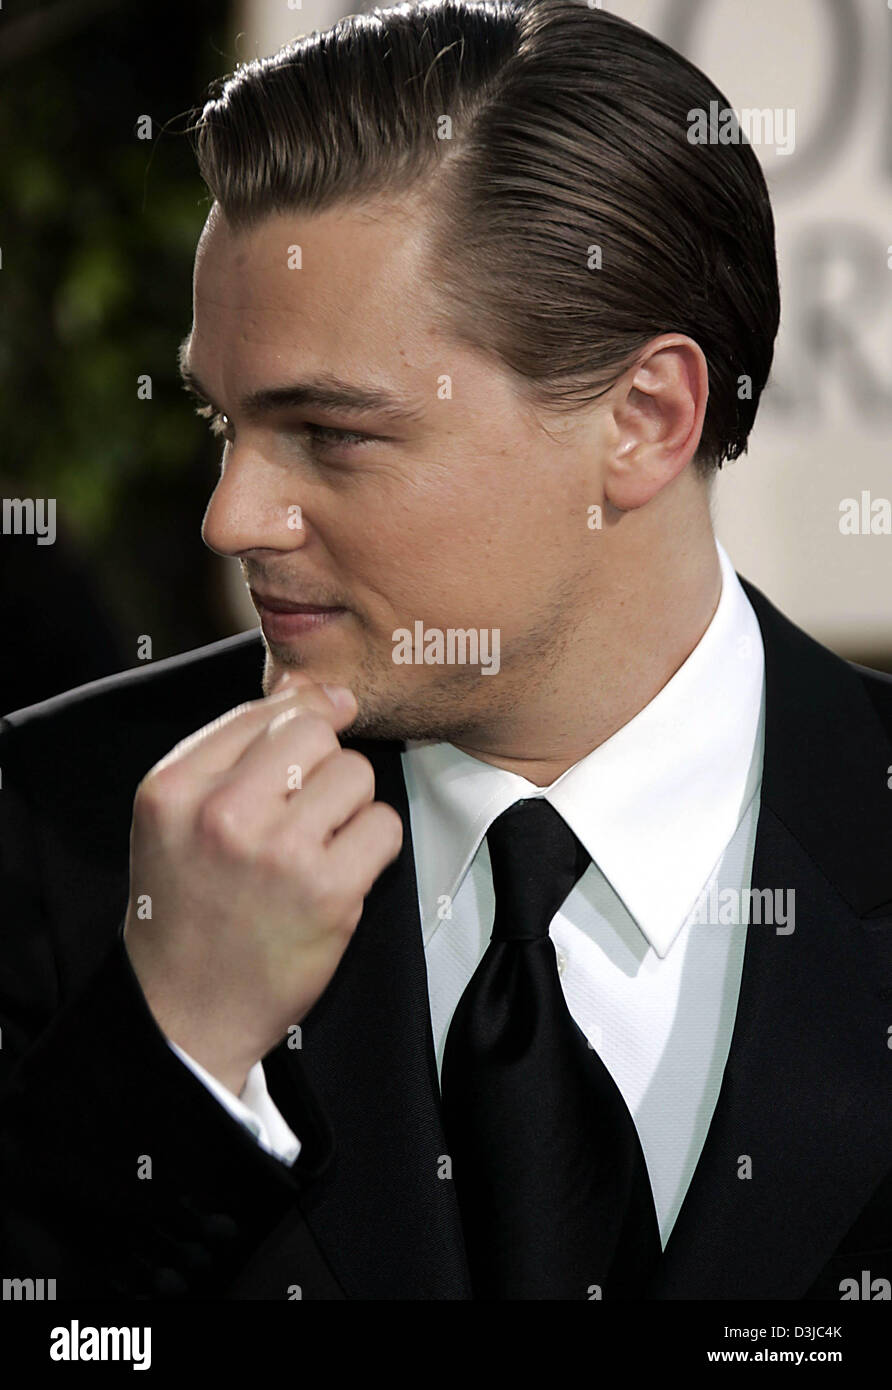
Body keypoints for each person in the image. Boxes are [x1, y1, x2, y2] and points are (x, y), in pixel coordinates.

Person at [1, 0, 890, 1301]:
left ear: (644, 419)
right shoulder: (52, 829)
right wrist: (169, 1060)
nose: (232, 516)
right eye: (224, 420)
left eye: (331, 433)